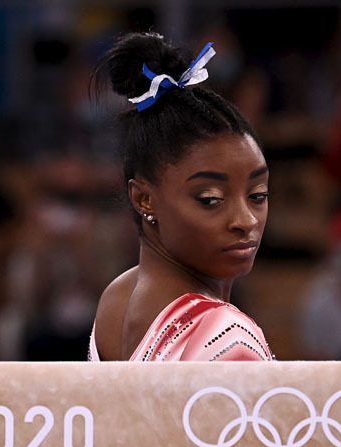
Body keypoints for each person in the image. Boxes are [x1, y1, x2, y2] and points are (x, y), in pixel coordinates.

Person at [88, 32, 274, 362]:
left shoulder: (116, 299)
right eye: (211, 199)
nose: (245, 220)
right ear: (144, 199)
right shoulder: (229, 335)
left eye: (258, 195)